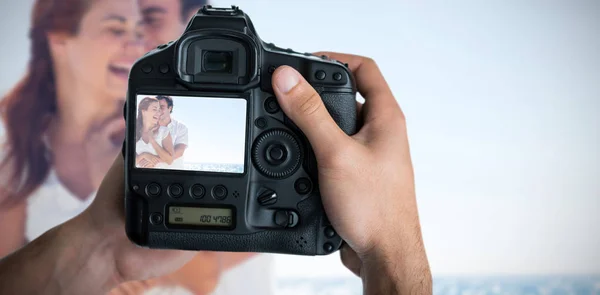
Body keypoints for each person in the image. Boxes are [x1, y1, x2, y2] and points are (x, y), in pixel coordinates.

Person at [0, 52, 433, 294]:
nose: (162, 110)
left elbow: (178, 152)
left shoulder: (182, 131)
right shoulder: (154, 134)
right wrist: (392, 254)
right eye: (158, 105)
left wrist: (386, 247)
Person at [0, 0, 263, 294]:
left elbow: (207, 270)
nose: (137, 42)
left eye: (143, 25)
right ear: (59, 38)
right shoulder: (15, 158)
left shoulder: (179, 128)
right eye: (115, 30)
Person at [135, 96, 174, 168]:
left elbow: (169, 160)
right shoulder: (133, 132)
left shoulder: (163, 131)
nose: (158, 113)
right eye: (154, 109)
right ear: (143, 111)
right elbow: (127, 160)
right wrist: (144, 155)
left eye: (159, 110)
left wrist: (152, 140)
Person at [156, 95, 188, 170]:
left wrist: (154, 160)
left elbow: (179, 151)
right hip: (152, 173)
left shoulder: (180, 127)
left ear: (170, 108)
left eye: (162, 107)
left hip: (174, 173)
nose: (158, 110)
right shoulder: (148, 127)